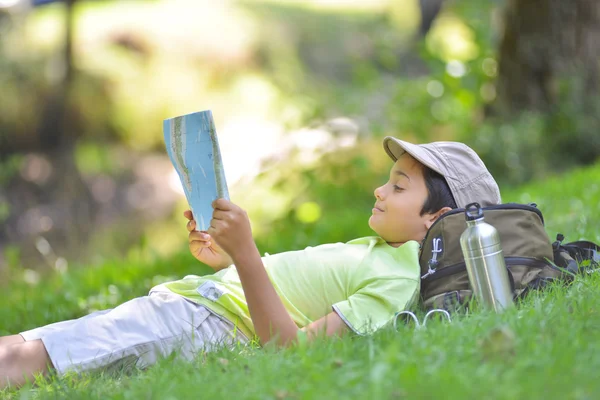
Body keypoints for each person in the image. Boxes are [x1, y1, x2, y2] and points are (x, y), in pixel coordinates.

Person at [0, 136, 501, 389]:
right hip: (195, 306)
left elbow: (288, 352)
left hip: (201, 325)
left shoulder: (396, 282)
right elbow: (277, 291)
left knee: (28, 360)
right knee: (25, 344)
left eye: (397, 187)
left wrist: (246, 253)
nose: (379, 189)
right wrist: (230, 259)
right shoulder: (382, 252)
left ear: (437, 217)